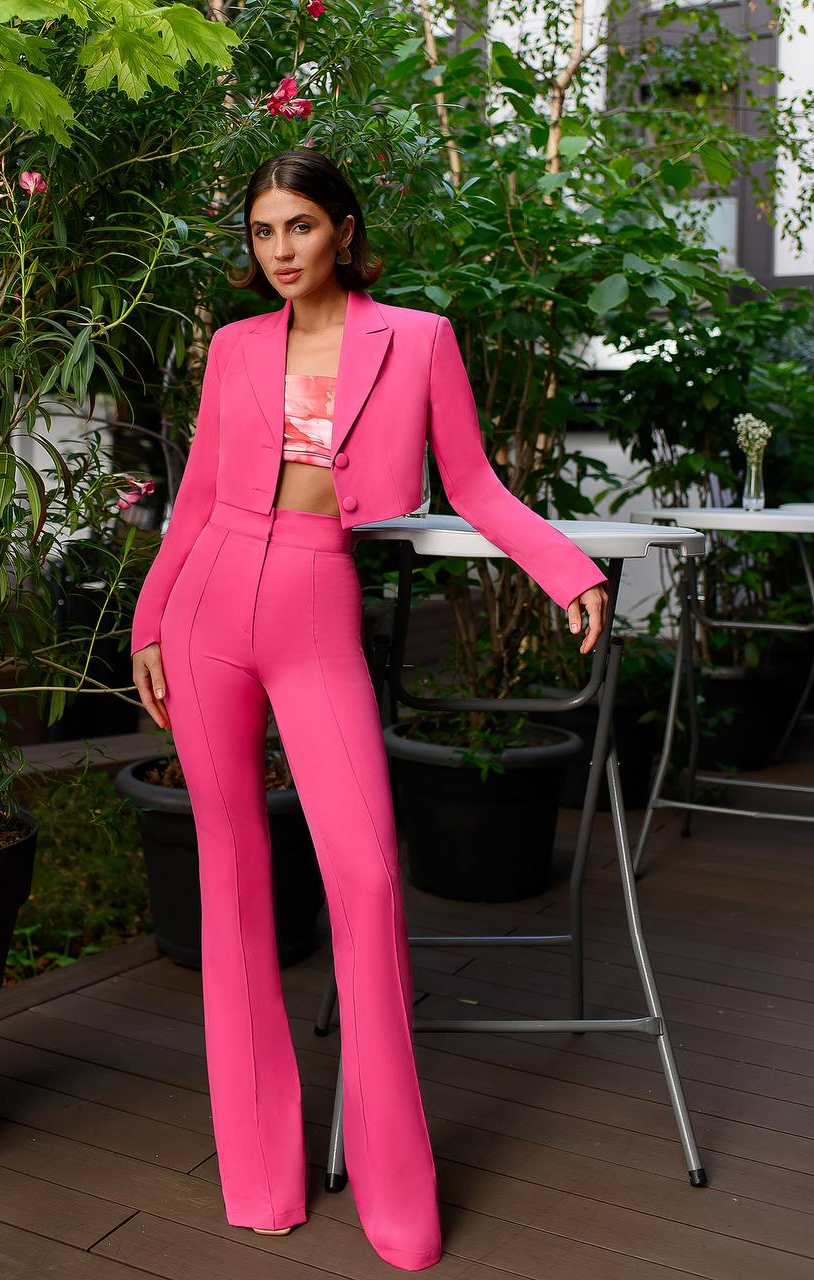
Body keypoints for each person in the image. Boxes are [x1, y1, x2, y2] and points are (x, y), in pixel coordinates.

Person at [130, 150, 608, 1271]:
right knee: (233, 881)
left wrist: (567, 568)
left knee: (368, 873)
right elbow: (195, 496)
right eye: (261, 233)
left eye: (298, 226)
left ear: (343, 229)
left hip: (313, 599)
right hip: (205, 610)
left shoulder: (417, 337)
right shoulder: (233, 347)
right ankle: (260, 1172)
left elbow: (475, 483)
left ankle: (398, 1179)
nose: (279, 250)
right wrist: (149, 621)